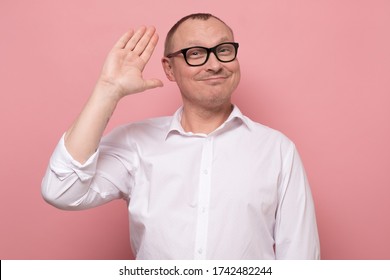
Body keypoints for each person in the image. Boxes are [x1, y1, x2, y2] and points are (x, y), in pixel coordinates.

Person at [41, 13, 320, 260]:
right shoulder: (136, 142)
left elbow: (300, 257)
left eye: (223, 50)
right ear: (169, 68)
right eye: (196, 53)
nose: (214, 65)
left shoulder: (277, 150)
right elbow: (61, 191)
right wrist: (107, 90)